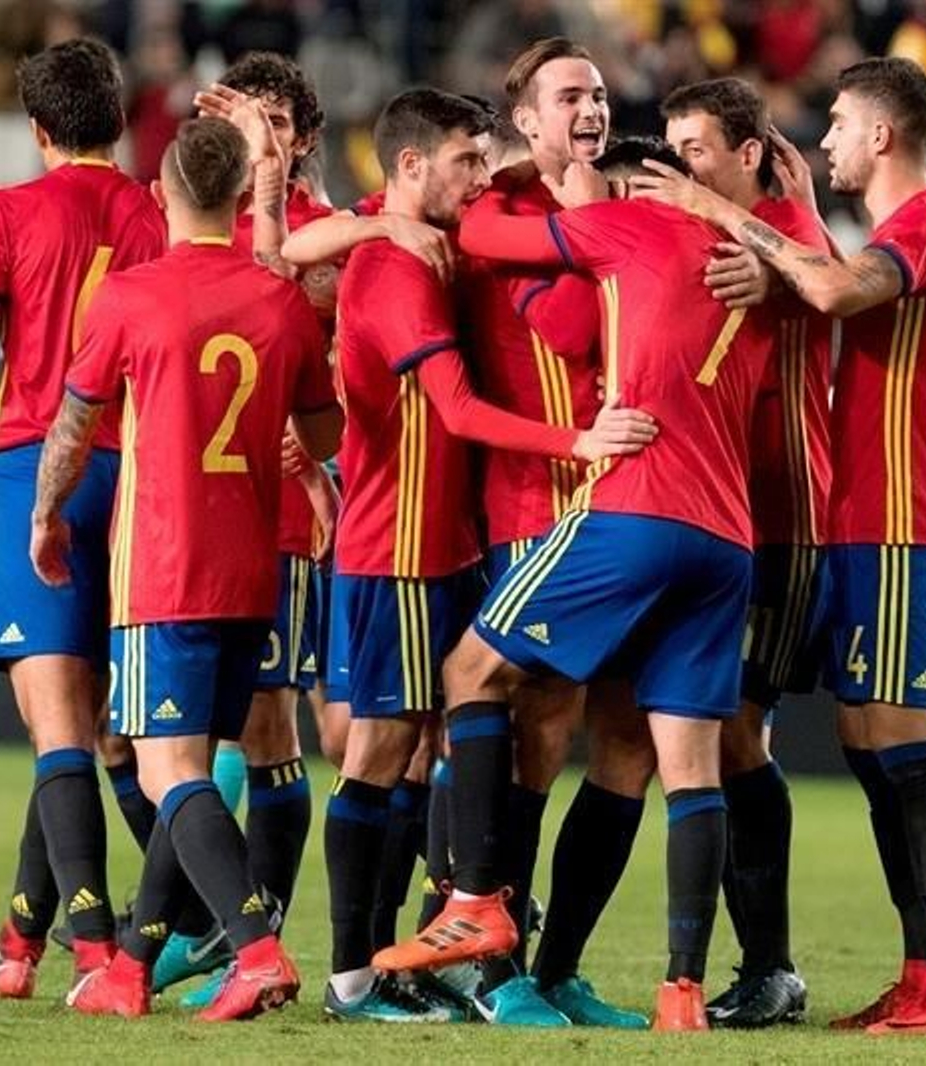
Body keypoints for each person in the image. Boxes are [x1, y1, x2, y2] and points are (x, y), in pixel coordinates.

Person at [373, 137, 778, 1034]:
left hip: (633, 514)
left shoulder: (625, 227)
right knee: (683, 767)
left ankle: (476, 898)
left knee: (470, 673)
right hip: (727, 543)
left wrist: (539, 173)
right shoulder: (752, 281)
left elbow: (483, 233)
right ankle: (680, 992)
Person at [633, 55, 926, 1035]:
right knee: (871, 741)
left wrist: (728, 217)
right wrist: (781, 229)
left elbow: (833, 293)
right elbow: (825, 277)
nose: (819, 141)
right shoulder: (903, 226)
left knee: (907, 742)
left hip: (907, 521)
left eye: (834, 124)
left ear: (880, 135)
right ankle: (922, 978)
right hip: (865, 521)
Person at [316, 87, 656, 1024]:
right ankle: (352, 978)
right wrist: (577, 442)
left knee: (433, 748)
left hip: (449, 542)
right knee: (381, 750)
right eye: (467, 161)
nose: (480, 177)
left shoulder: (437, 246)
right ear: (413, 165)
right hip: (396, 547)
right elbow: (459, 413)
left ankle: (428, 959)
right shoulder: (393, 269)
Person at [32, 116, 343, 1021]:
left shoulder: (131, 296)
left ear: (161, 194)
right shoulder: (281, 301)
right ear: (245, 199)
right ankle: (130, 964)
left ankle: (255, 949)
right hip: (253, 567)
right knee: (194, 765)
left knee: (167, 772)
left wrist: (47, 514)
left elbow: (75, 423)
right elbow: (323, 436)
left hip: (163, 566)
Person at [0, 38, 166, 1001]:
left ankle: (103, 948)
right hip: (136, 468)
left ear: (36, 131)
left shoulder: (10, 214)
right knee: (100, 728)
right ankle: (23, 942)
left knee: (56, 721)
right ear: (116, 118)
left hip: (39, 460)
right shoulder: (157, 212)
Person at [149, 50, 341, 1003]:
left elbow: (281, 296)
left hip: (280, 518)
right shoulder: (189, 213)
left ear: (302, 138)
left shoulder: (322, 228)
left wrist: (265, 179)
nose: (253, 131)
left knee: (268, 729)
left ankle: (247, 930)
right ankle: (188, 930)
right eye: (239, 115)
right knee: (176, 741)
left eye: (273, 119)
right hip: (190, 521)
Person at [660, 75, 832, 1029]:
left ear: (751, 153)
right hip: (702, 514)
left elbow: (831, 283)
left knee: (735, 736)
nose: (681, 167)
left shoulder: (792, 237)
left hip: (781, 518)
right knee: (686, 738)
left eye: (697, 149)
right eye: (675, 147)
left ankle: (770, 965)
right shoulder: (705, 232)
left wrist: (781, 243)